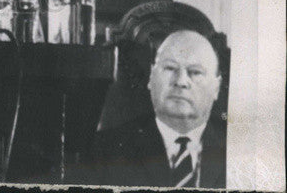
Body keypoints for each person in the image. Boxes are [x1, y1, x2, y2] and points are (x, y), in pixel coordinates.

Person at [78, 29, 226, 187]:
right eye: (170, 68)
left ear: (216, 87)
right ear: (151, 77)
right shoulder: (105, 151)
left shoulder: (240, 149)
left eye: (195, 72)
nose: (181, 81)